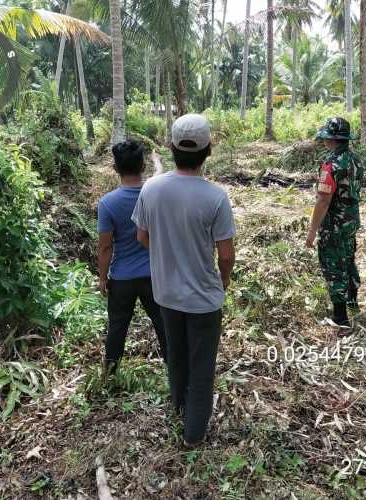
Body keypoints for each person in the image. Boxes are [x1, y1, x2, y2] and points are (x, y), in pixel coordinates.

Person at [132, 114, 236, 447]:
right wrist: (223, 281)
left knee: (176, 358)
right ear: (209, 150)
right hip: (203, 300)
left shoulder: (151, 188)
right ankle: (193, 436)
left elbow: (142, 236)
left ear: (171, 148)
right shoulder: (215, 198)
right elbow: (226, 254)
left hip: (166, 295)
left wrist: (167, 255)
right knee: (201, 368)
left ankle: (178, 409)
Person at [97, 140, 167, 370]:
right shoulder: (155, 193)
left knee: (117, 326)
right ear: (143, 165)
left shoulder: (108, 204)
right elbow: (158, 175)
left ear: (115, 169)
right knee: (163, 325)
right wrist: (157, 163)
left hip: (122, 278)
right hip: (154, 275)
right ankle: (175, 370)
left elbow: (105, 247)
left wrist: (103, 277)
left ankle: (109, 373)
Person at [305, 117, 364, 327]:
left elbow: (323, 200)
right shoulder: (356, 160)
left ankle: (340, 317)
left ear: (331, 139)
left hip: (334, 224)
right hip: (351, 220)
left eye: (326, 138)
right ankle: (353, 303)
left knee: (333, 265)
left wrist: (312, 231)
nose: (324, 141)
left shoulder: (331, 165)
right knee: (348, 259)